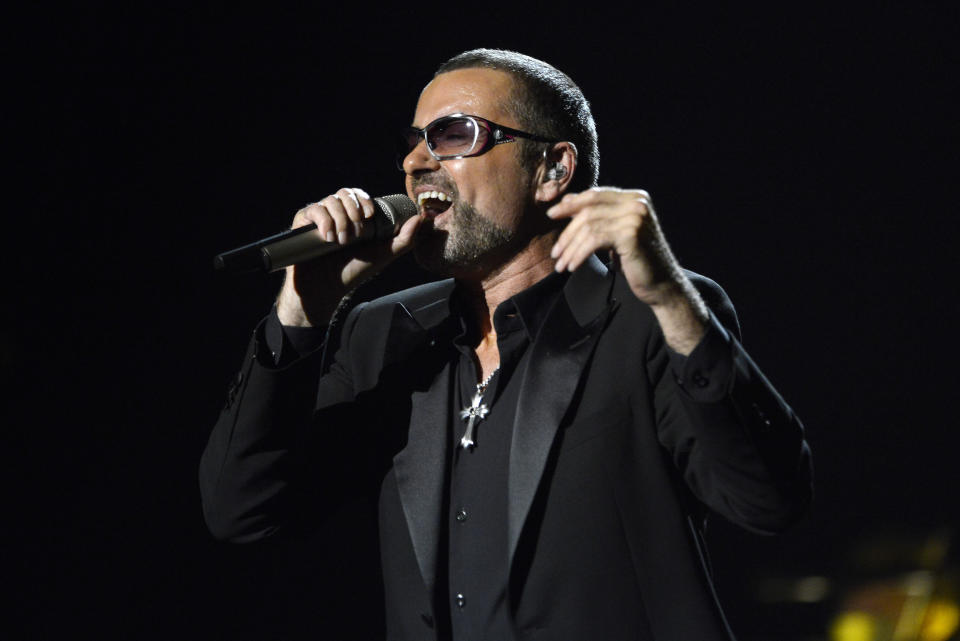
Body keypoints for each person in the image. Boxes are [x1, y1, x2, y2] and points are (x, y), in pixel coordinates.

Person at [200, 48, 812, 641]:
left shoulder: (647, 316)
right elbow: (245, 511)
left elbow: (768, 501)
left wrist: (676, 306)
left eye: (453, 134)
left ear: (553, 168)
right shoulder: (385, 334)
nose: (415, 162)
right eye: (414, 140)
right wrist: (303, 310)